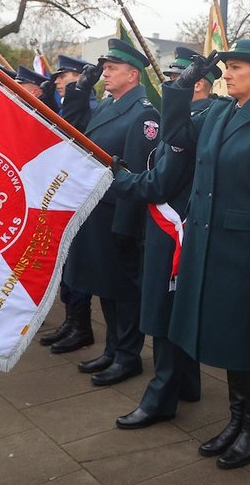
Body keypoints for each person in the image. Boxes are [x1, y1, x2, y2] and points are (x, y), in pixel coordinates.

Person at [161, 39, 250, 470]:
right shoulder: (218, 112)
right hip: (208, 243)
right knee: (228, 340)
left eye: (236, 67)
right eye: (225, 67)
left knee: (245, 342)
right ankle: (237, 420)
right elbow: (176, 135)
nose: (227, 74)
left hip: (242, 250)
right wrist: (186, 81)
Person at [112, 47, 219, 430]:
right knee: (175, 308)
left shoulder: (194, 119)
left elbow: (160, 182)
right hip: (174, 226)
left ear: (200, 85)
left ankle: (162, 395)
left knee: (162, 312)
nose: (172, 89)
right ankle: (185, 383)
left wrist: (123, 180)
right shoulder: (197, 116)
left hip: (171, 227)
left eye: (179, 82)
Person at [63, 38, 160, 386]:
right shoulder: (108, 105)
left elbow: (138, 171)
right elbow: (73, 130)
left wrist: (126, 224)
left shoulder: (144, 112)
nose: (105, 72)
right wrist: (78, 90)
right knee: (104, 283)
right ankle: (112, 349)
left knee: (124, 289)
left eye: (112, 68)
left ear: (133, 74)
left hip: (119, 214)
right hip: (97, 210)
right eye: (104, 67)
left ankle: (128, 356)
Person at [37, 56, 100, 354]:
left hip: (81, 197)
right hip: (64, 194)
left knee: (78, 265)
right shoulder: (70, 104)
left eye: (64, 76)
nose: (59, 81)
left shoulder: (91, 109)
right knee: (67, 265)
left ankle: (81, 326)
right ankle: (72, 321)